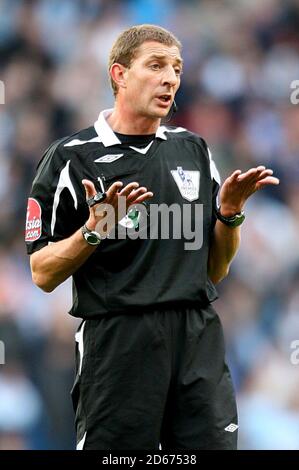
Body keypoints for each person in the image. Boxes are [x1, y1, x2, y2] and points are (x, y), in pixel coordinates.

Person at [25, 24, 279, 450]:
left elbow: (214, 267)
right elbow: (41, 273)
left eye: (177, 69)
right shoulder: (72, 159)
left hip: (196, 337)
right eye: (156, 66)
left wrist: (230, 216)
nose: (170, 79)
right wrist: (92, 232)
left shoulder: (194, 151)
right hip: (118, 342)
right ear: (119, 74)